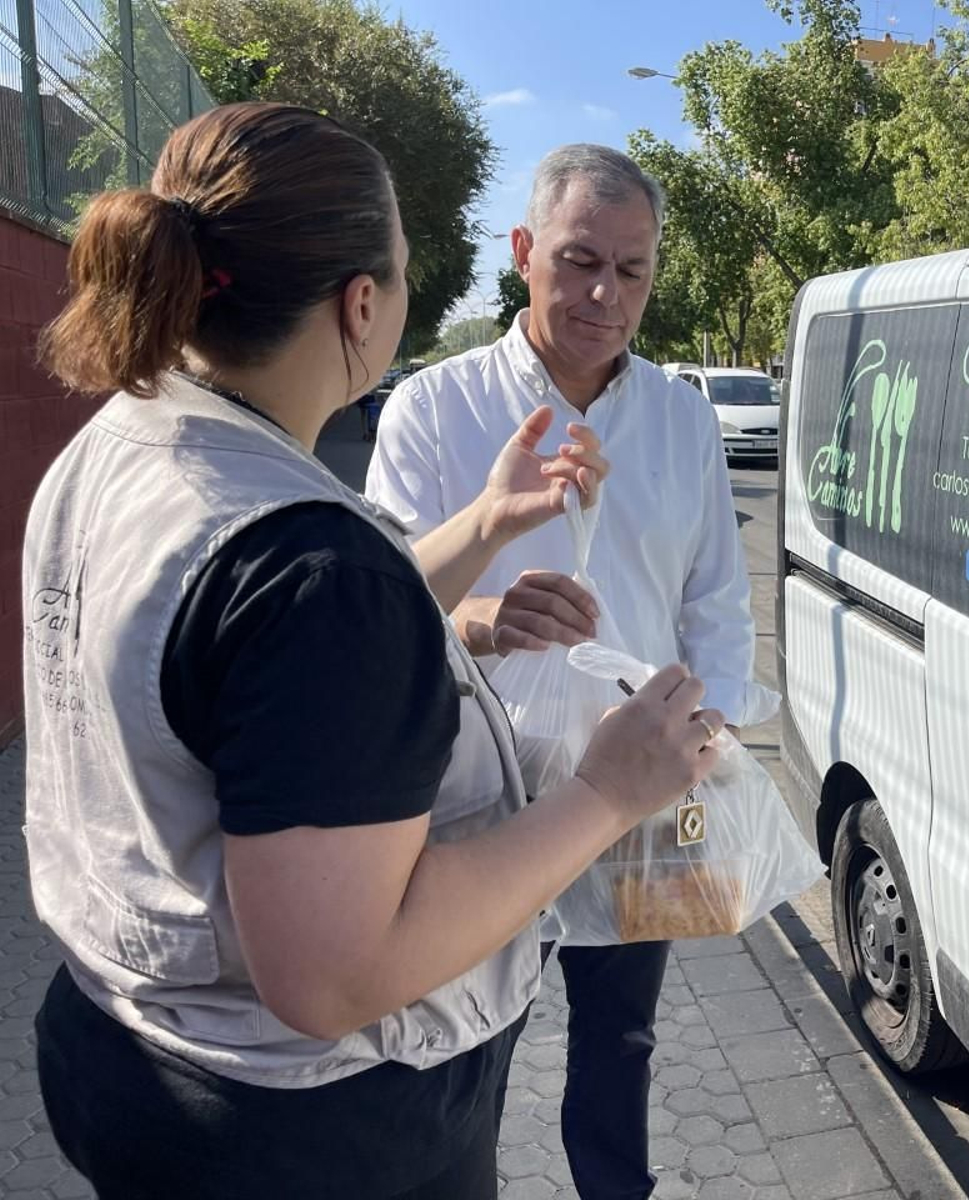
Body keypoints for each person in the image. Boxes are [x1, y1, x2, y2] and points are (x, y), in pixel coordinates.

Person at [23, 103, 725, 1200]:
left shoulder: (117, 444)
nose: (606, 293)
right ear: (363, 304)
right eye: (401, 271)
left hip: (128, 1047)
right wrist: (604, 794)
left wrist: (484, 527)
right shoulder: (316, 566)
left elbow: (260, 649)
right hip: (303, 1124)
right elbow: (336, 974)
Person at [366, 143, 757, 1199]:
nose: (603, 293)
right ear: (524, 251)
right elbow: (377, 606)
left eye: (631, 271)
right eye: (580, 259)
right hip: (483, 808)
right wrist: (488, 613)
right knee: (463, 1040)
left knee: (621, 1041)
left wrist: (707, 738)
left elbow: (716, 598)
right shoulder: (433, 409)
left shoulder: (680, 418)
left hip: (638, 802)